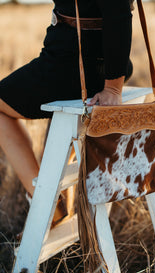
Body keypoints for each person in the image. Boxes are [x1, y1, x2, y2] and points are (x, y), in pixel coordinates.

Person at [0, 0, 133, 200]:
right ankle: (55, 201)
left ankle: (43, 200)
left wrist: (113, 88)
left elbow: (118, 10)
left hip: (72, 66)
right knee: (58, 123)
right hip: (84, 62)